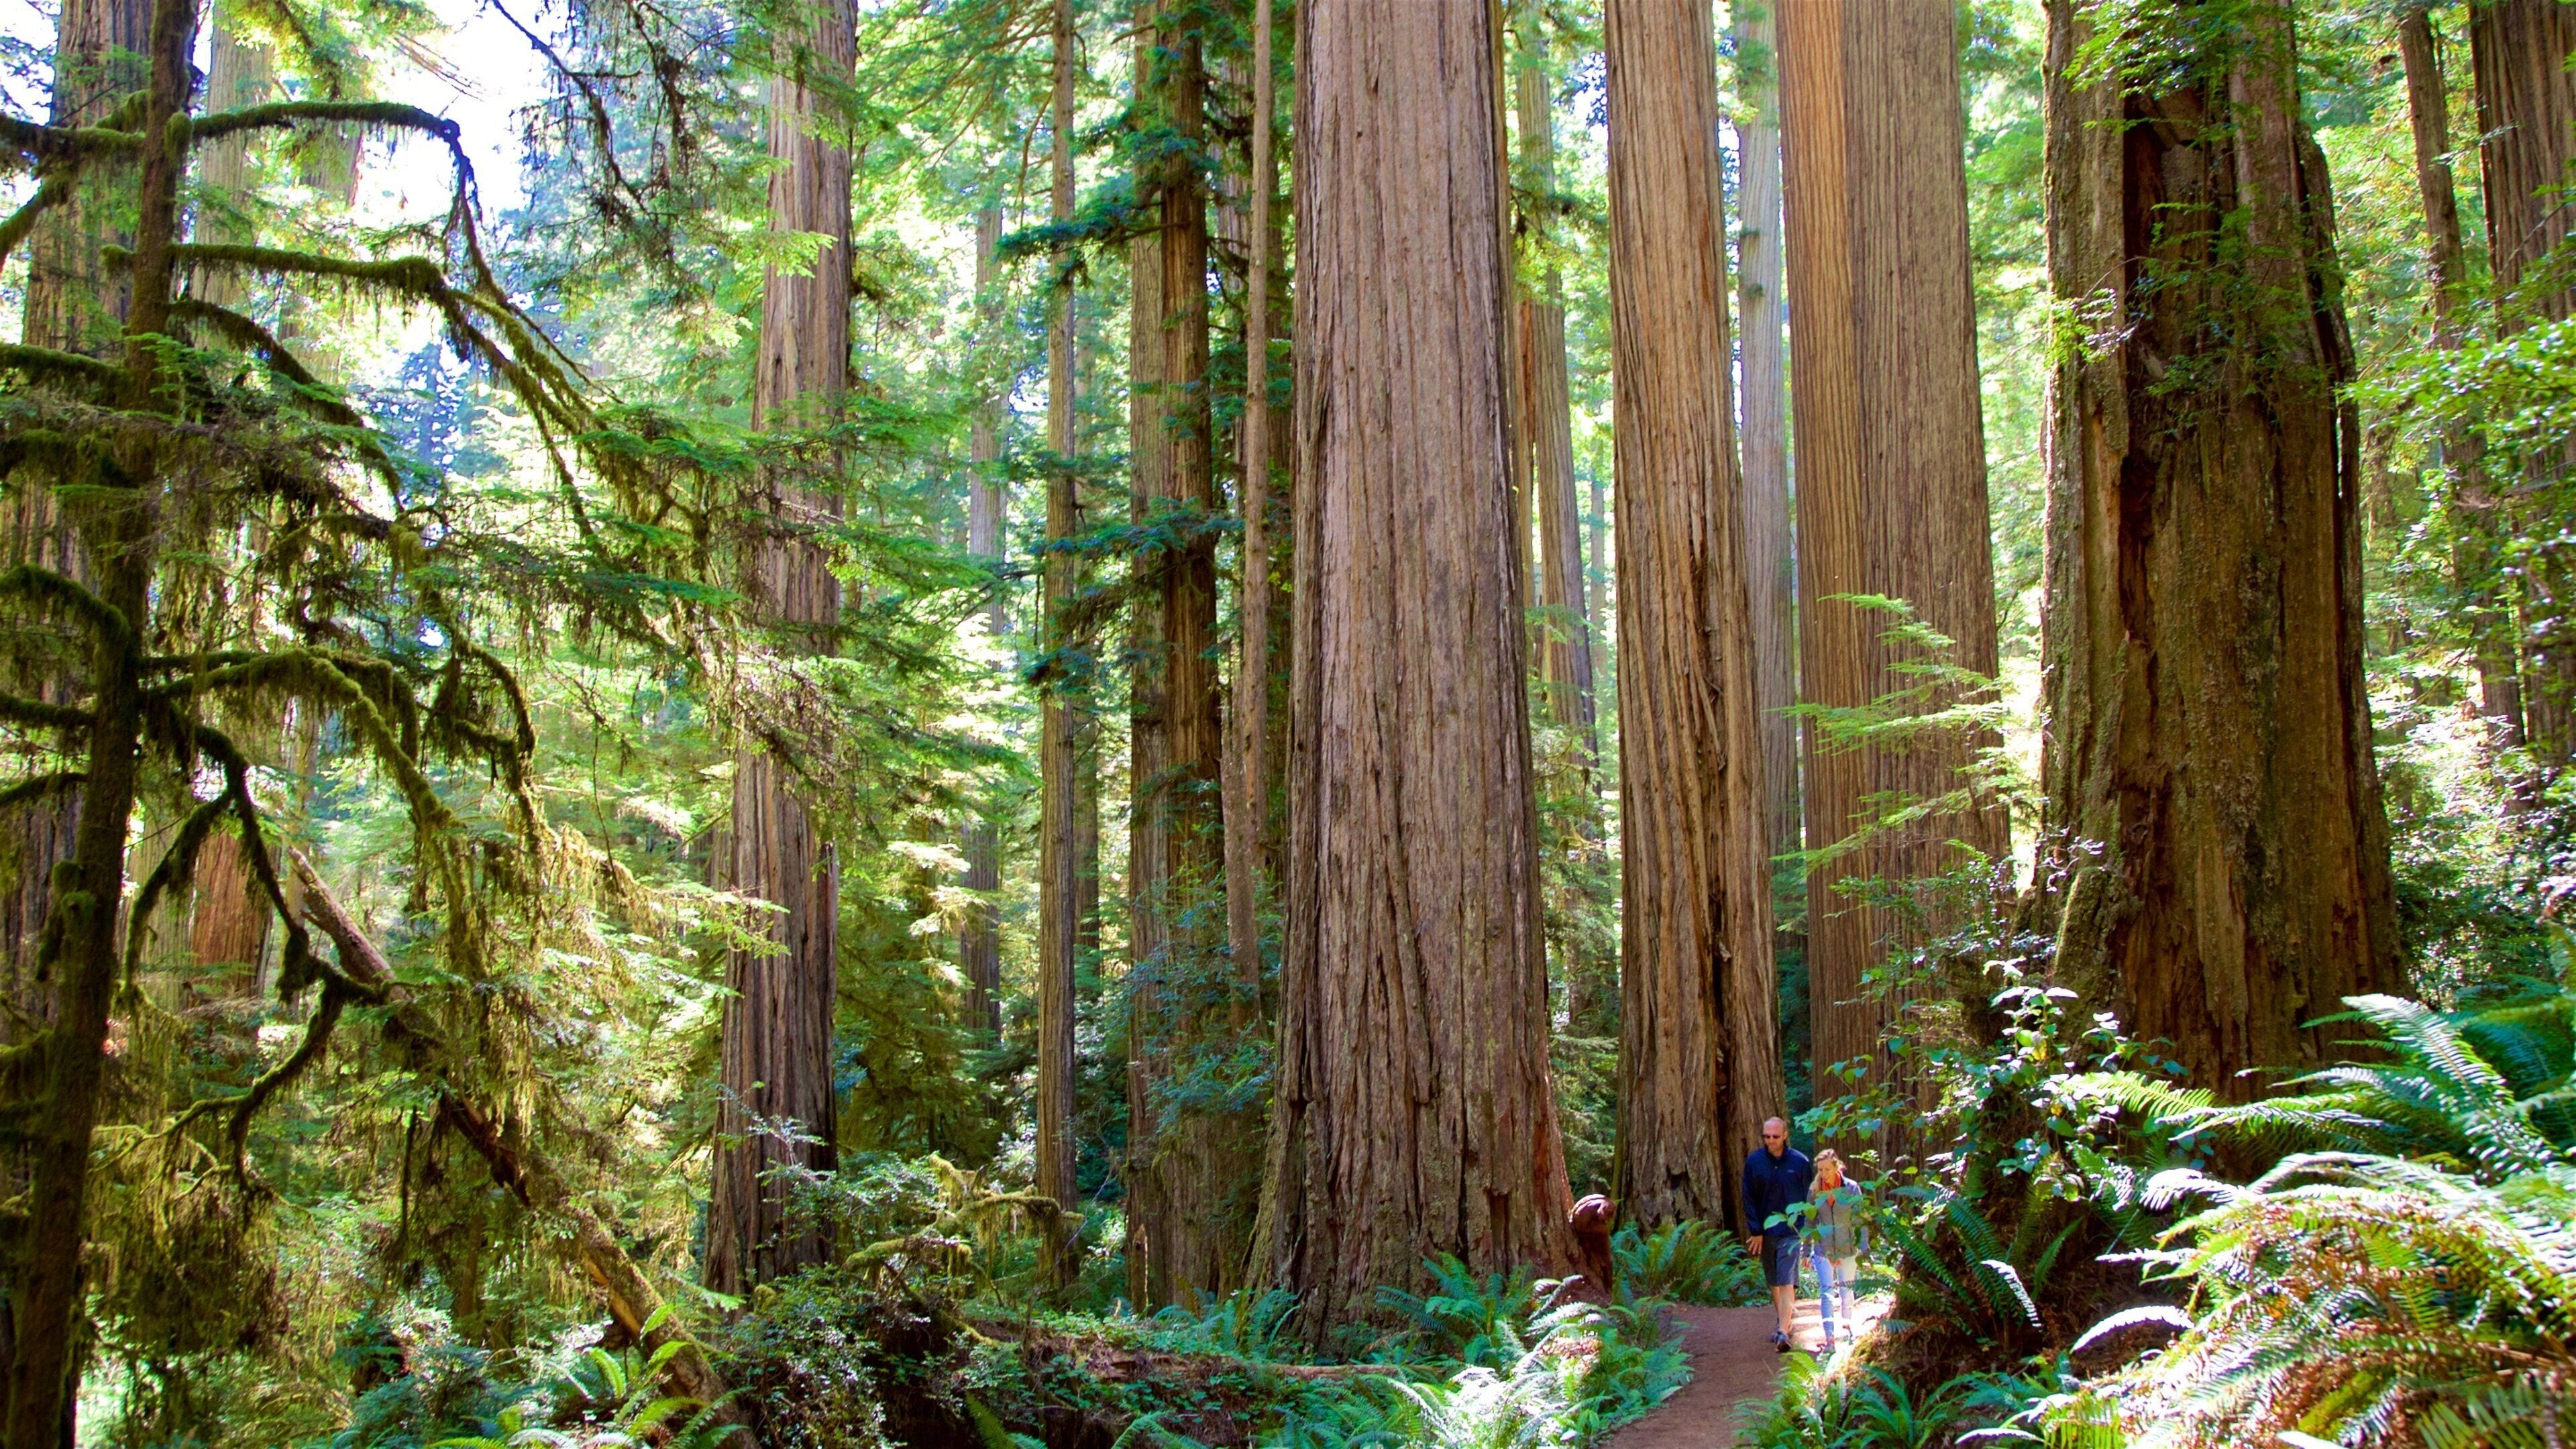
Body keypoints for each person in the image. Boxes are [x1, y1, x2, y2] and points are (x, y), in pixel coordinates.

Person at [1741, 1116, 1812, 1352]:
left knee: (1786, 1279)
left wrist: (1805, 1229)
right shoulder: (1754, 1162)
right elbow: (1748, 1197)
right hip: (1766, 1231)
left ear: (1784, 1135)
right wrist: (1756, 1230)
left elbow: (1808, 1198)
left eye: (1775, 1136)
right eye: (1766, 1136)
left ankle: (1783, 1330)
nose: (1770, 1141)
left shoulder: (1800, 1163)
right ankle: (1783, 1322)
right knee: (1773, 1280)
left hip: (1791, 1231)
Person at [1809, 1148, 1864, 1350]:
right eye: (1820, 1170)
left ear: (1836, 1167)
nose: (1823, 1174)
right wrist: (1807, 1249)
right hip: (1823, 1250)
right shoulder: (1815, 1191)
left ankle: (1847, 1333)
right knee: (1826, 1293)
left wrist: (1864, 1246)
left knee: (1846, 1291)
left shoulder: (1851, 1188)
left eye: (1827, 1169)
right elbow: (1810, 1220)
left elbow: (1860, 1218)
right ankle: (1830, 1340)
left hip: (1848, 1248)